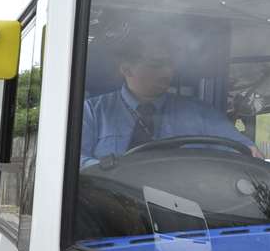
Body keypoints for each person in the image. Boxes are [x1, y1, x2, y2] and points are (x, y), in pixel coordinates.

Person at [79, 32, 252, 167]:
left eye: (170, 64)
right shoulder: (91, 112)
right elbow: (71, 160)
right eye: (156, 65)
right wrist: (108, 169)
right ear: (127, 69)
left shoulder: (202, 114)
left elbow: (245, 152)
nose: (167, 72)